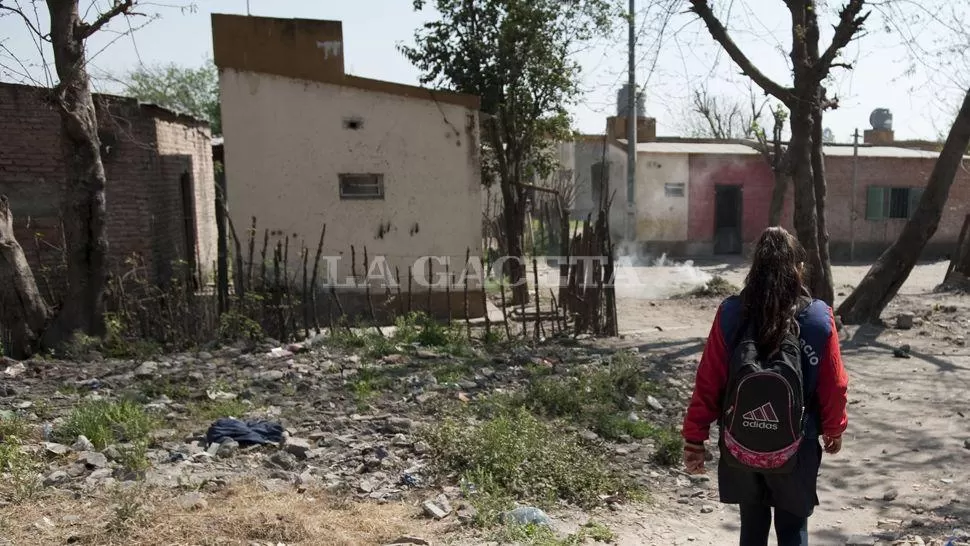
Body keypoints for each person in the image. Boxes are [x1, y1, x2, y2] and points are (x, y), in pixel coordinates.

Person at [682, 227, 848, 546]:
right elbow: (835, 384)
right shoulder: (817, 318)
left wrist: (694, 439)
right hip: (799, 443)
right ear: (798, 269)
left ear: (754, 268)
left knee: (752, 526)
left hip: (741, 440)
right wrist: (834, 428)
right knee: (793, 528)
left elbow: (709, 380)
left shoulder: (731, 313)